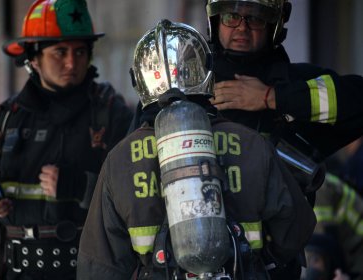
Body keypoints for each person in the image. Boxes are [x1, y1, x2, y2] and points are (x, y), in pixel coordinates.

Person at [77, 19, 316, 280]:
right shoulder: (251, 143)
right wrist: (263, 263)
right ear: (206, 72)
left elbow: (99, 265)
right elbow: (297, 227)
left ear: (139, 80)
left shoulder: (120, 160)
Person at [0, 0, 133, 279]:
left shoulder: (110, 113)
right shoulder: (9, 118)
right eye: (60, 51)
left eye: (80, 51)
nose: (72, 62)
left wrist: (81, 186)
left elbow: (136, 196)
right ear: (33, 58)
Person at [205, 0, 363, 181]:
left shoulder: (294, 82)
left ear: (274, 26)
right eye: (231, 16)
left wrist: (272, 97)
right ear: (215, 20)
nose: (242, 27)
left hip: (278, 209)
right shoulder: (194, 82)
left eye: (256, 18)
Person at [313, 173, 363, 280]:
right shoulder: (320, 180)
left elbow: (326, 245)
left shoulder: (318, 188)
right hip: (352, 245)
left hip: (358, 246)